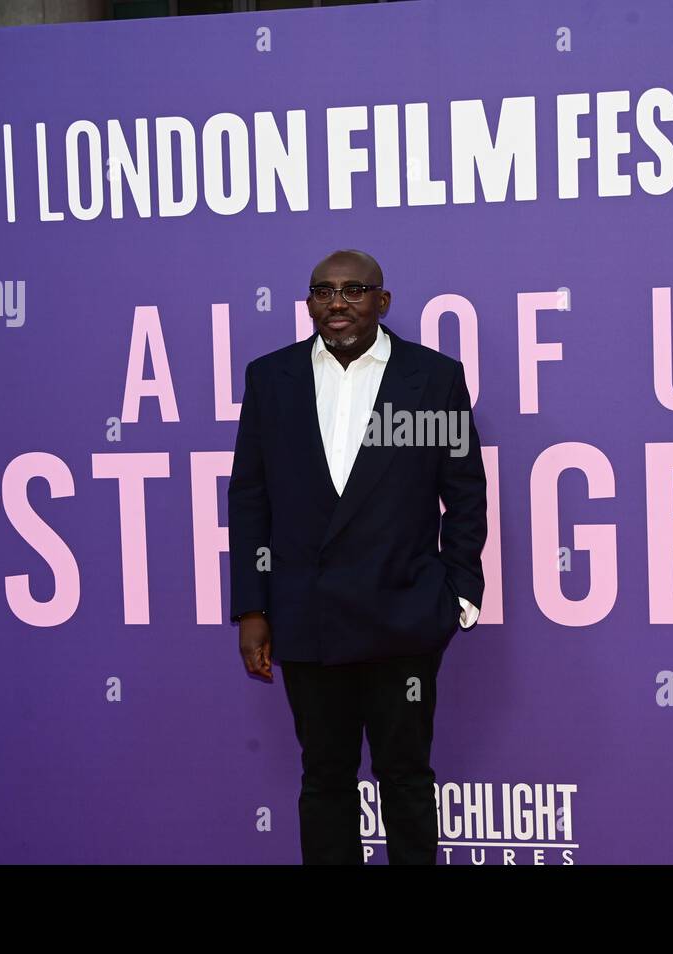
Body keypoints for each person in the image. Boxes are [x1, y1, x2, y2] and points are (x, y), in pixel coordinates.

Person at [227, 249, 488, 865]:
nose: (337, 303)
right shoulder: (272, 379)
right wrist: (252, 609)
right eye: (323, 291)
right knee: (325, 779)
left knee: (404, 777)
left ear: (382, 301)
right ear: (309, 301)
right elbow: (250, 500)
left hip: (404, 615)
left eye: (353, 290)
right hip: (307, 617)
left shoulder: (430, 378)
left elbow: (465, 492)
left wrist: (459, 593)